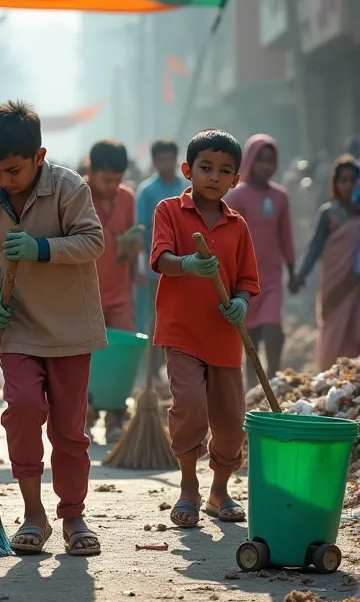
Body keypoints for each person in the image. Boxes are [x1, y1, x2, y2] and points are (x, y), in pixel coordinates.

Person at [0, 101, 106, 556]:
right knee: (22, 410)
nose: (5, 180)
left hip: (70, 329)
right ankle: (33, 514)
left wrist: (41, 248)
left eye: (14, 170)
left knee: (69, 430)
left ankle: (73, 516)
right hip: (19, 326)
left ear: (39, 157)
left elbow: (93, 241)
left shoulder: (69, 187)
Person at [150, 128, 260, 530]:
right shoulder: (169, 211)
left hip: (225, 336)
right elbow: (160, 258)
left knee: (231, 421)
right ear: (188, 170)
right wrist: (188, 265)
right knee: (190, 405)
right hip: (181, 333)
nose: (214, 176)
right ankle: (188, 486)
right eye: (206, 167)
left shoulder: (239, 226)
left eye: (225, 170)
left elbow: (248, 279)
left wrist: (241, 303)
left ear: (236, 180)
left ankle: (219, 491)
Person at [225, 134, 297, 386]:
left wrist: (292, 269)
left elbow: (285, 235)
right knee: (251, 334)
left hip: (272, 275)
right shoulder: (236, 197)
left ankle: (275, 378)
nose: (265, 167)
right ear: (250, 161)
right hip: (243, 276)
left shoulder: (281, 197)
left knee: (273, 329)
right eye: (260, 161)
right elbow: (227, 235)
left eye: (270, 161)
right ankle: (254, 389)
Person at [85, 139, 140, 443]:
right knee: (86, 361)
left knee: (122, 358)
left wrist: (132, 247)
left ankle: (115, 419)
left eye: (118, 180)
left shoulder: (127, 198)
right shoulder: (76, 195)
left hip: (120, 293)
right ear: (91, 171)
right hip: (84, 295)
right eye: (107, 179)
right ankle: (86, 417)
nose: (112, 186)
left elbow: (132, 243)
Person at [294, 155, 360, 369]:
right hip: (334, 283)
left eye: (353, 180)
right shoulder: (328, 213)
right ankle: (330, 374)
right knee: (333, 324)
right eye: (343, 181)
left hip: (356, 283)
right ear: (335, 183)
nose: (348, 186)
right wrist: (301, 275)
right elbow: (315, 247)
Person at [135, 139, 189, 376]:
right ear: (155, 162)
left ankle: (180, 368)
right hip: (156, 266)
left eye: (170, 159)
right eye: (161, 159)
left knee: (183, 317)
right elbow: (140, 230)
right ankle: (153, 371)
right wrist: (140, 265)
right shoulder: (147, 192)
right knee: (157, 320)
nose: (166, 164)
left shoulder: (186, 189)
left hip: (186, 265)